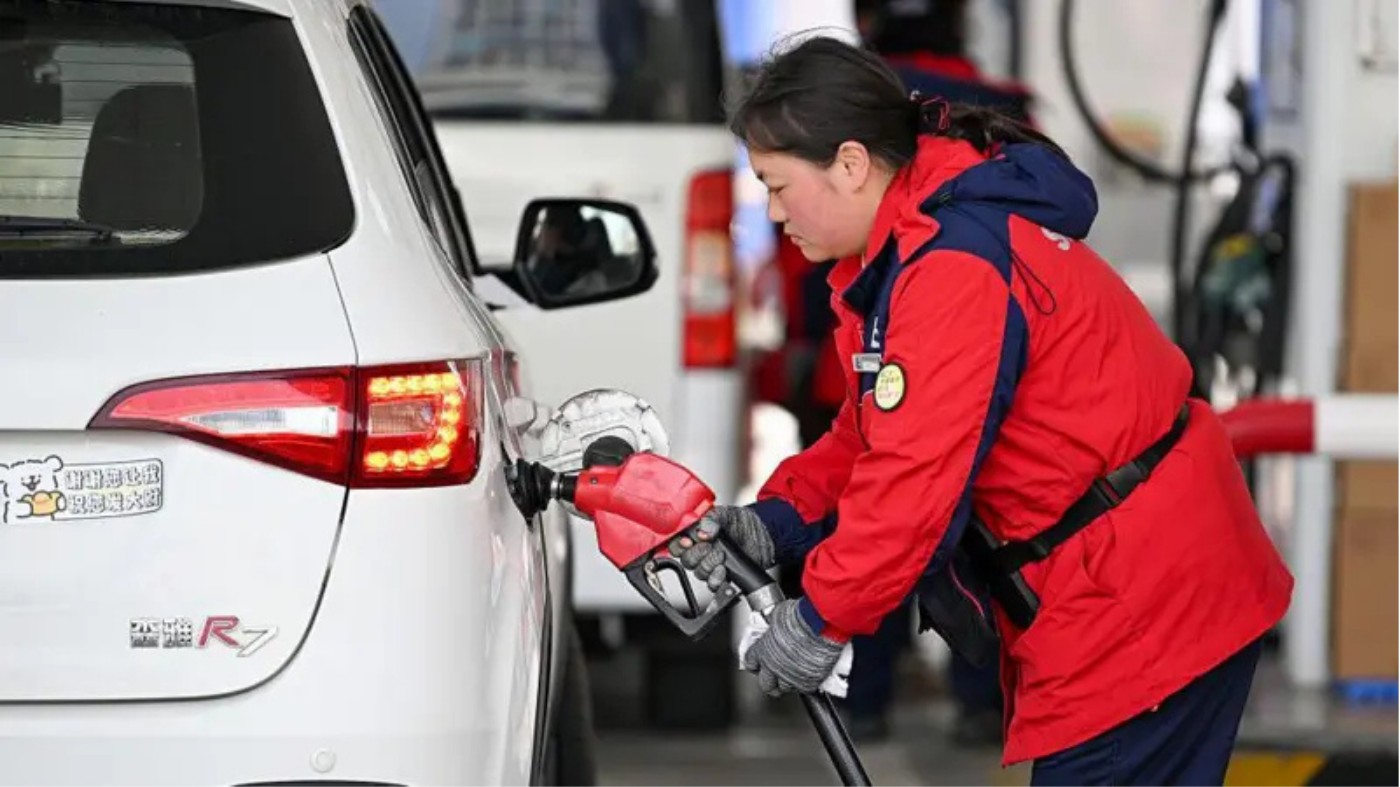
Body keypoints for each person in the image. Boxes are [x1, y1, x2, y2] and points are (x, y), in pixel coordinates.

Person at [671, 36, 1292, 785]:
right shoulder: (905, 249)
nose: (771, 214)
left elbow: (911, 482)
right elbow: (874, 432)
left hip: (1143, 604)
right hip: (1121, 594)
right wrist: (773, 521)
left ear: (851, 164)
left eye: (777, 185)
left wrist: (820, 616)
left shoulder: (950, 267)